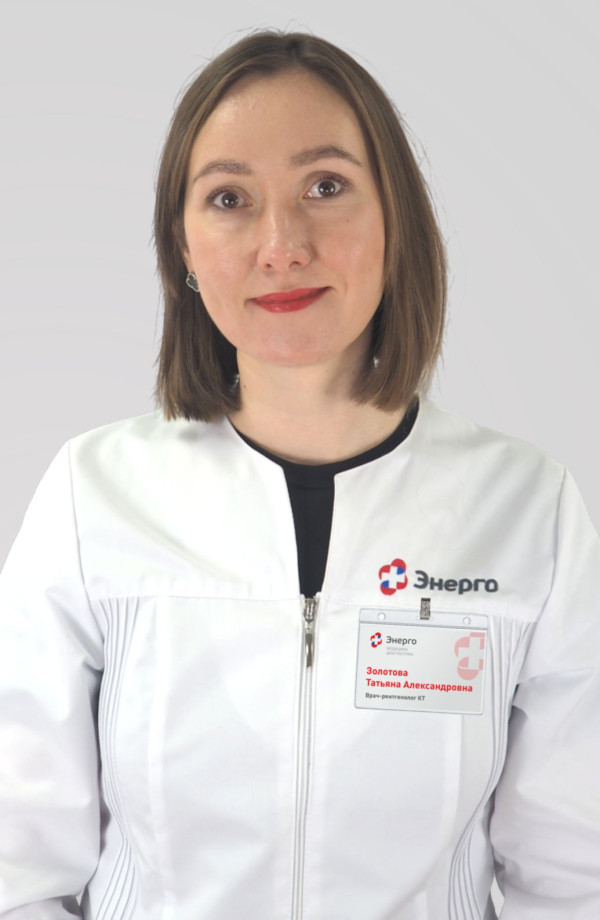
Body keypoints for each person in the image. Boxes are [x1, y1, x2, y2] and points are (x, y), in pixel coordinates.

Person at [0, 28, 598, 920]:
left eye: (325, 187)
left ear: (394, 217)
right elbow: (15, 868)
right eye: (230, 199)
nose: (281, 245)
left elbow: (575, 879)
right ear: (184, 249)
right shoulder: (95, 497)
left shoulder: (526, 510)